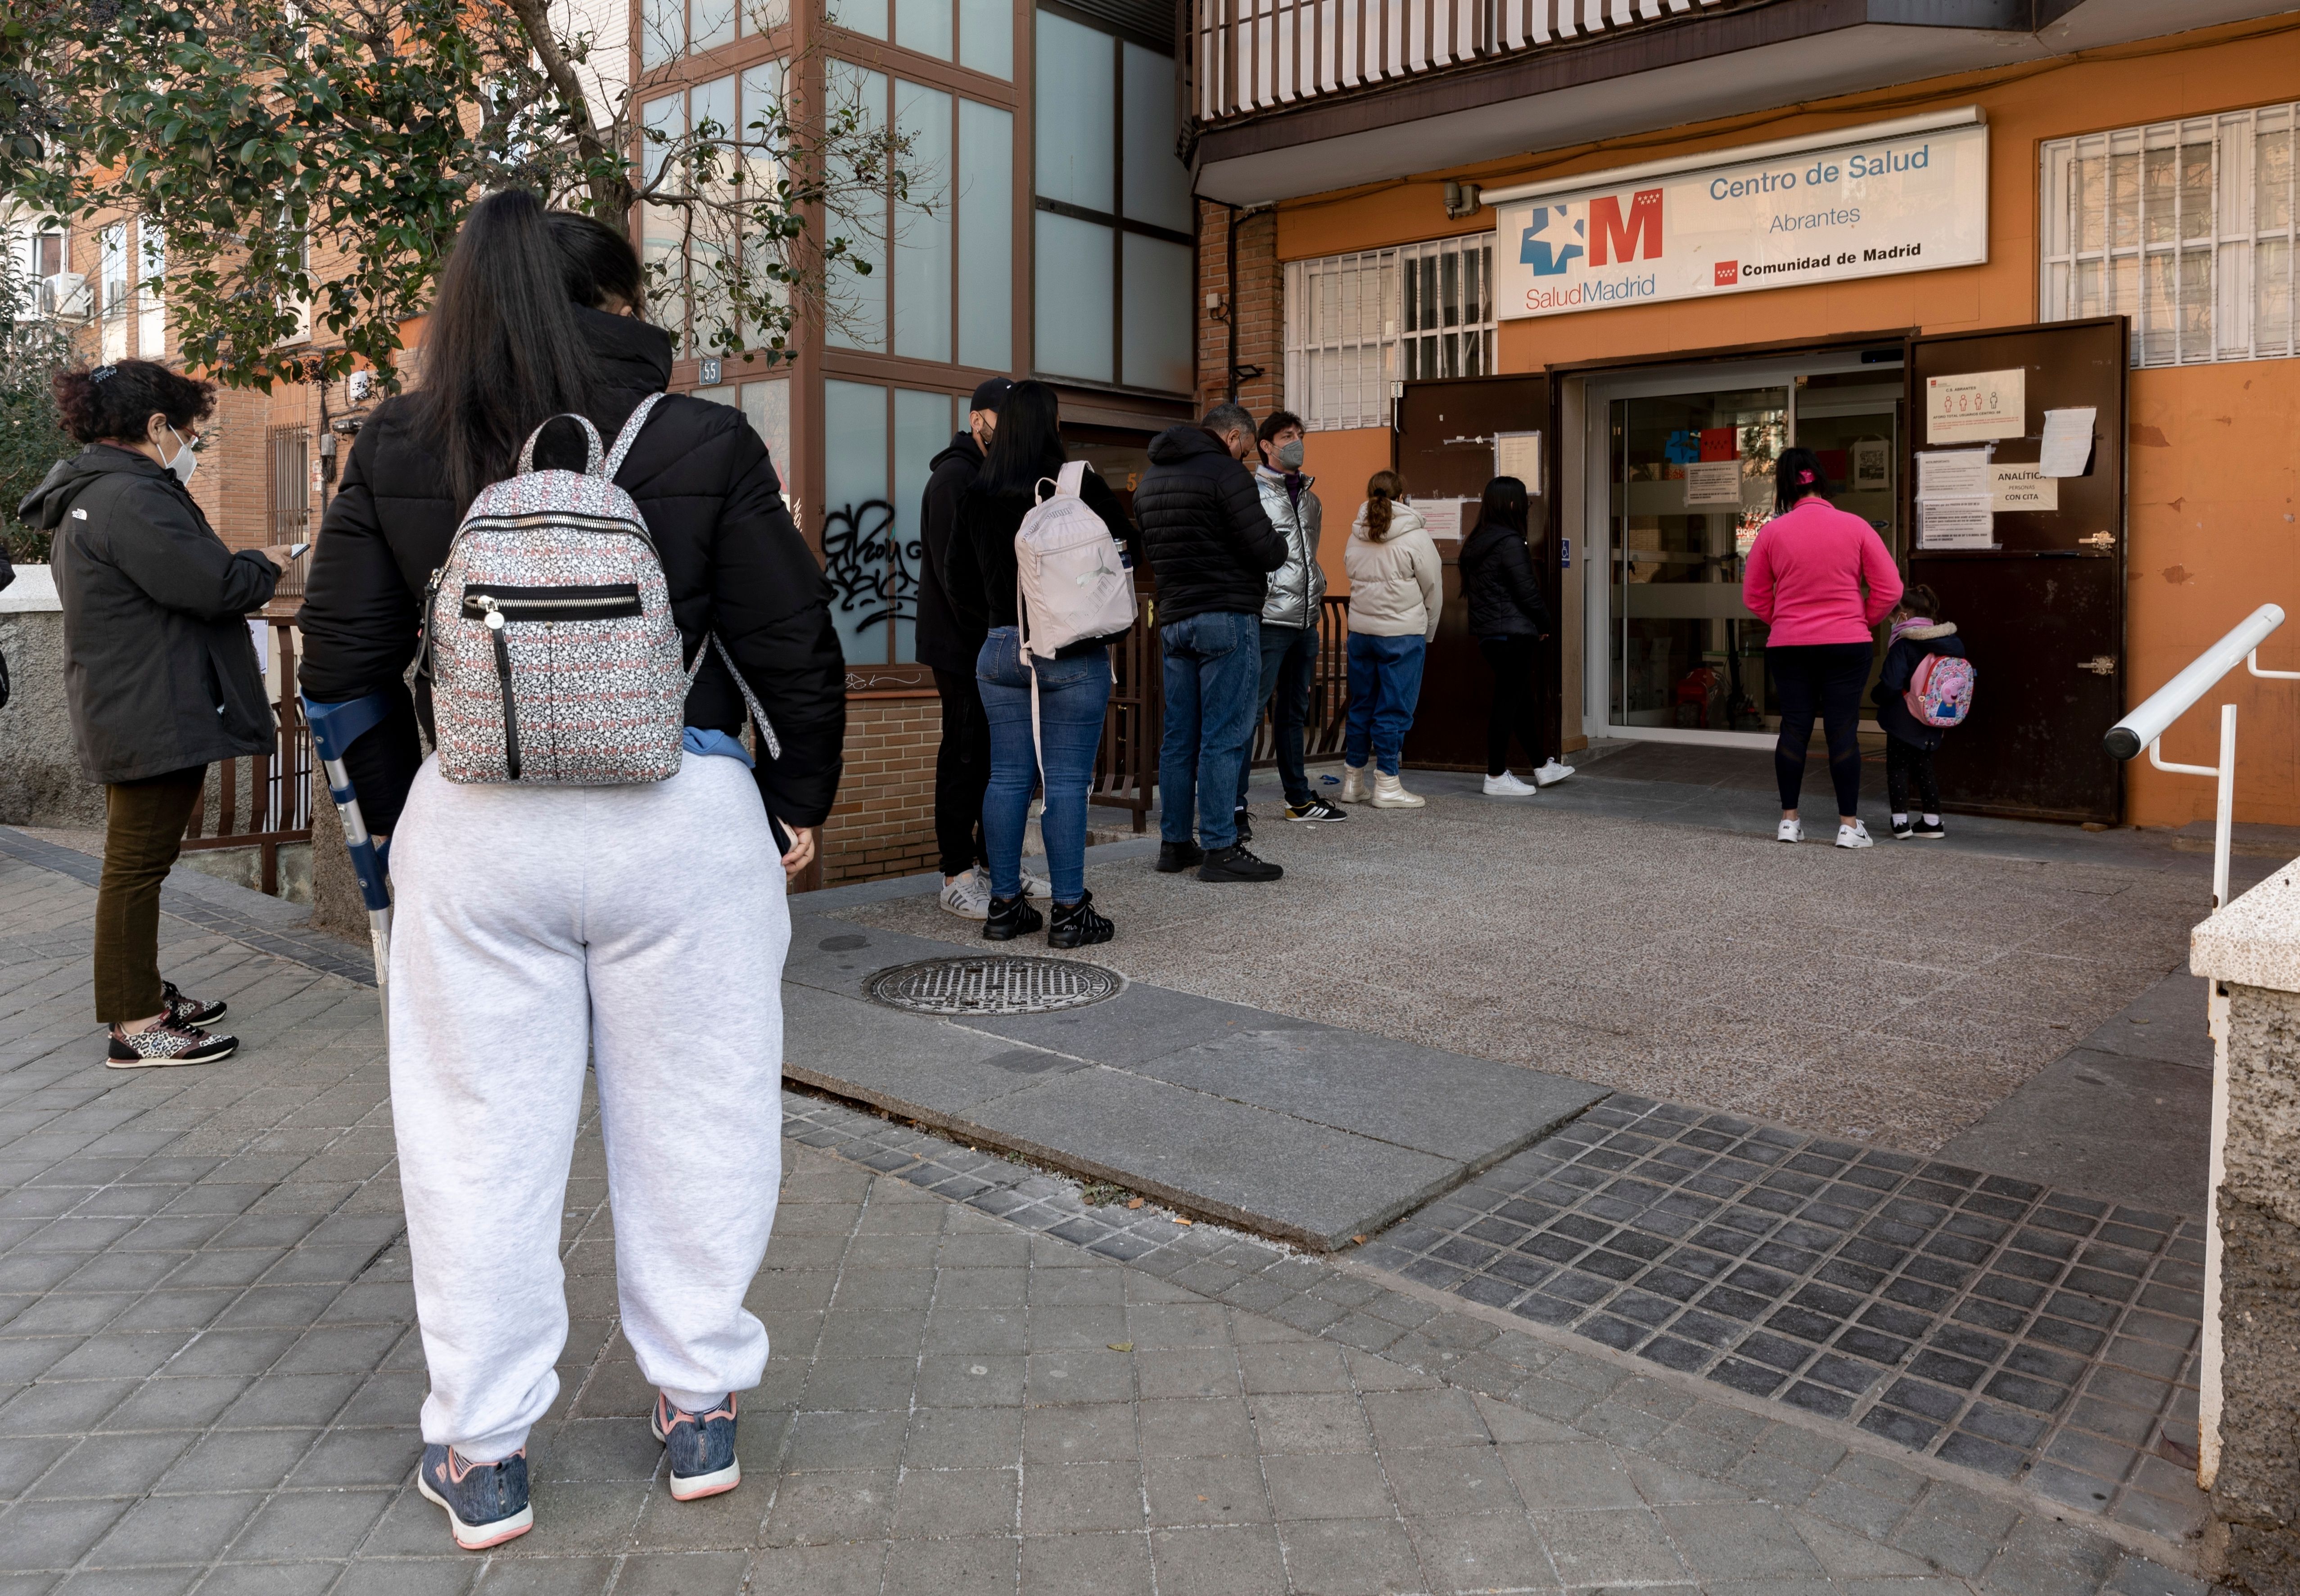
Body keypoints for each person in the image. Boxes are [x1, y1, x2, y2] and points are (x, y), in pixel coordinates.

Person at [296, 192, 846, 1549]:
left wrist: (404, 828)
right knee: (702, 1116)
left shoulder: (399, 442)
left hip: (478, 829)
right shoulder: (702, 438)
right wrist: (792, 802)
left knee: (474, 1139)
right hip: (682, 819)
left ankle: (484, 1451)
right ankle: (701, 1405)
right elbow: (793, 642)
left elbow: (344, 665)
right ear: (611, 303)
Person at [18, 360, 298, 1067]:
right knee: (135, 868)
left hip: (133, 700)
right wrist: (264, 562)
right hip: (150, 708)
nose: (191, 443)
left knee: (139, 862)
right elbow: (213, 585)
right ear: (155, 425)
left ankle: (141, 996)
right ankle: (136, 1024)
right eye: (189, 430)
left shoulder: (97, 491)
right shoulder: (131, 497)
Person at [944, 380, 1133, 946]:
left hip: (1000, 649)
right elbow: (1128, 547)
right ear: (1052, 424)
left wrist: (1000, 619)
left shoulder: (977, 490)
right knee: (1067, 782)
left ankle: (1005, 907)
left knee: (1006, 777)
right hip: (1070, 652)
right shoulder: (1076, 483)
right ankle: (1070, 913)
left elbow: (956, 580)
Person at [1133, 402, 1289, 881]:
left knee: (1179, 739)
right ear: (1234, 437)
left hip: (1175, 620)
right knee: (1224, 736)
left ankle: (1175, 844)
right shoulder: (1226, 473)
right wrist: (1280, 544)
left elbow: (1151, 550)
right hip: (1225, 615)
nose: (1245, 455)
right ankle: (1221, 848)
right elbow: (1266, 549)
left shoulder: (1151, 480)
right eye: (1246, 446)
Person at [917, 375, 1046, 918]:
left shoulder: (993, 478)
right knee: (965, 756)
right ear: (977, 420)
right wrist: (991, 639)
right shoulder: (955, 479)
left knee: (1000, 761)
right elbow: (958, 579)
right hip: (962, 646)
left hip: (993, 645)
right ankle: (956, 873)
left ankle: (999, 868)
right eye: (1003, 419)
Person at [1741, 445, 1901, 850]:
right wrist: (1861, 620)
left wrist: (1784, 620)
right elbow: (1890, 589)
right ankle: (1848, 826)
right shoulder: (1856, 527)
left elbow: (1754, 596)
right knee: (1842, 730)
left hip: (1789, 645)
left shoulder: (1771, 533)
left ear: (1784, 487)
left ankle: (1789, 821)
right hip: (1847, 642)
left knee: (1794, 727)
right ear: (1821, 481)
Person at [1232, 410, 1347, 832]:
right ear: (1266, 446)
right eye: (1286, 436)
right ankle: (1233, 806)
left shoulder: (1312, 500)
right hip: (1266, 619)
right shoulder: (1250, 493)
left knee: (1294, 713)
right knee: (1249, 714)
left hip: (1305, 620)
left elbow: (1306, 557)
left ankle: (1298, 799)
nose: (1296, 441)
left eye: (1299, 434)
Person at [1458, 475, 1574, 798]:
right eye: (1525, 502)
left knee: (1519, 701)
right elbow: (1527, 591)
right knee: (1508, 703)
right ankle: (1495, 776)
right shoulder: (1510, 542)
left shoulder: (1477, 541)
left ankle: (1542, 766)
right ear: (1512, 504)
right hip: (1513, 635)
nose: (1526, 508)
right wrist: (1545, 622)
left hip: (1491, 636)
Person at [1340, 470, 1442, 810]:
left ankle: (1353, 782)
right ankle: (1387, 783)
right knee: (1394, 708)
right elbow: (1433, 589)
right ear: (1401, 498)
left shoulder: (1356, 533)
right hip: (1401, 635)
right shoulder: (1416, 536)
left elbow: (1351, 572)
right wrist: (1427, 631)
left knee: (1361, 705)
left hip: (1361, 634)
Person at [1875, 582, 1965, 839]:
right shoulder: (1950, 643)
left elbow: (1891, 684)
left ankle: (1901, 823)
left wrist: (1875, 697)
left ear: (1903, 616)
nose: (1890, 621)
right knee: (1925, 768)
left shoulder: (1904, 644)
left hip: (1903, 718)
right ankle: (1933, 822)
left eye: (1891, 616)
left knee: (1898, 768)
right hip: (1935, 715)